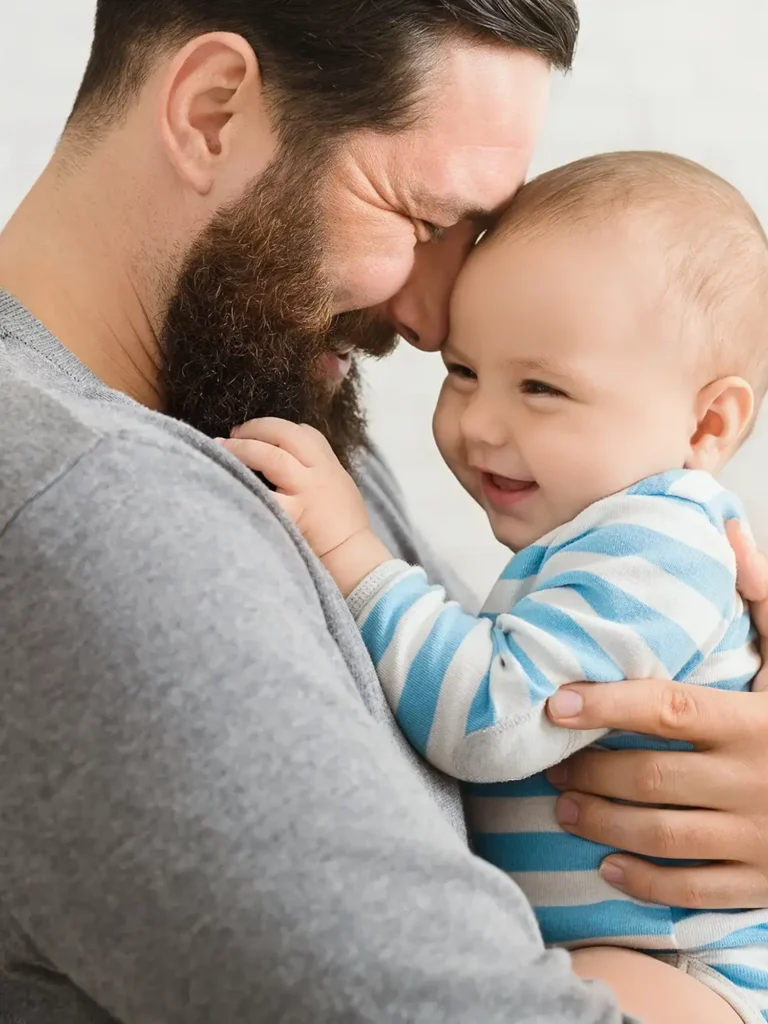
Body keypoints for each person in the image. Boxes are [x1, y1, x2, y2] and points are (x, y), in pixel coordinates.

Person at [0, 1, 764, 1021]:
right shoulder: (93, 503)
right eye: (421, 220)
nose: (433, 313)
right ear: (212, 111)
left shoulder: (262, 417)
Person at [223, 151, 768, 1024]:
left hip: (686, 969)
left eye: (541, 389)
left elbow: (492, 717)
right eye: (462, 373)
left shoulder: (660, 543)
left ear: (708, 423)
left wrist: (355, 557)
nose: (479, 422)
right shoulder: (598, 541)